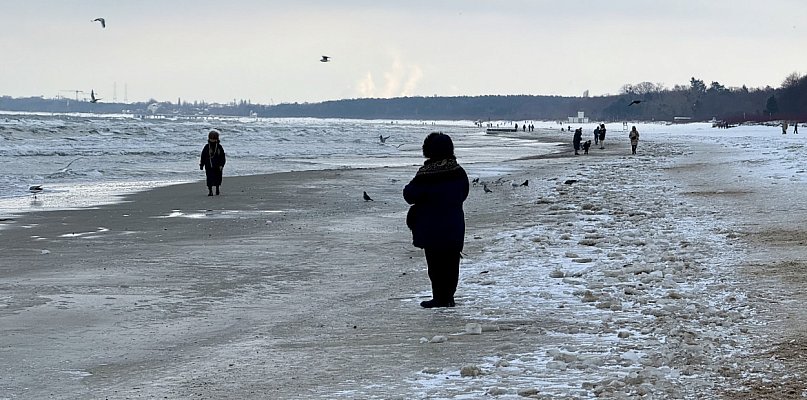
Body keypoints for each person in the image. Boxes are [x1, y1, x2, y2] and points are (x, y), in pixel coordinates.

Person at [403, 132, 469, 308]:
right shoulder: (458, 171)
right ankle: (448, 297)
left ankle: (439, 297)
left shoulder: (426, 174)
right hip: (454, 224)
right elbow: (464, 193)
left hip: (431, 226)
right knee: (451, 263)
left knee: (435, 264)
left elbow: (410, 195)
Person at [199, 129, 226, 196]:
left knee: (218, 178)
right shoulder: (207, 147)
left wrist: (222, 165)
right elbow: (203, 156)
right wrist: (201, 164)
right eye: (211, 139)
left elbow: (222, 157)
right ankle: (210, 191)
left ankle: (217, 189)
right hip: (209, 165)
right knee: (209, 178)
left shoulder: (219, 147)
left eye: (214, 139)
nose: (212, 140)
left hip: (218, 165)